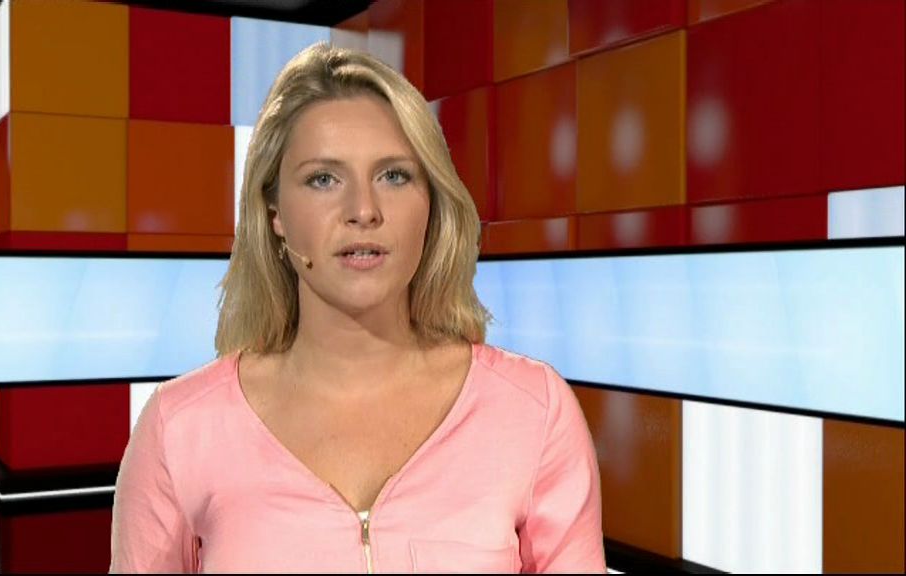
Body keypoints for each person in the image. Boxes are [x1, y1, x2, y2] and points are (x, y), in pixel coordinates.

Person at [110, 42, 604, 574]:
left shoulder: (533, 411)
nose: (364, 211)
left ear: (431, 202)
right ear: (275, 212)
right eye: (323, 179)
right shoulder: (179, 427)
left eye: (394, 176)